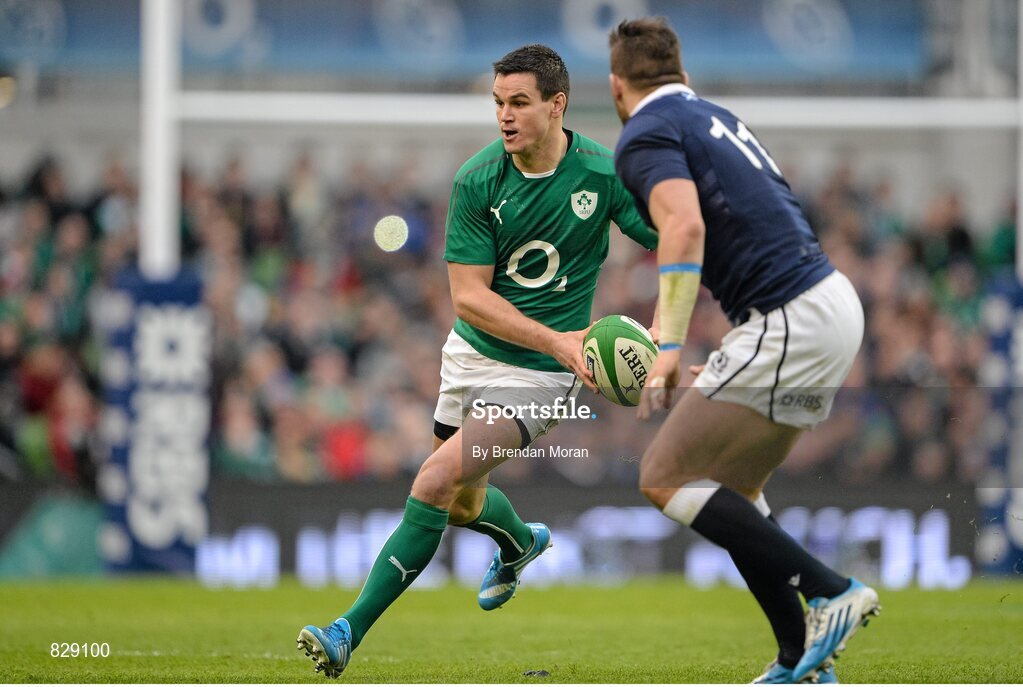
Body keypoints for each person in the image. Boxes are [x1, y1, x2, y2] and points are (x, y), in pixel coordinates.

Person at [296, 44, 657, 678]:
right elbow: (468, 297)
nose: (505, 116)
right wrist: (560, 339)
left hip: (541, 378)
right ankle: (520, 543)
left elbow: (672, 234)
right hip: (473, 355)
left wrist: (679, 303)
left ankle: (346, 630)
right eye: (498, 103)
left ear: (557, 105)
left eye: (519, 103)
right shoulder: (476, 179)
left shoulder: (603, 175)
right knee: (461, 505)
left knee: (433, 483)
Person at [607, 18, 879, 684]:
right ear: (682, 76)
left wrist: (667, 345)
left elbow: (684, 224)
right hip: (819, 306)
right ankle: (799, 662)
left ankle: (829, 588)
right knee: (731, 486)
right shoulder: (714, 116)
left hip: (791, 314)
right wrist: (742, 351)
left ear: (617, 88)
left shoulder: (642, 132)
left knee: (662, 474)